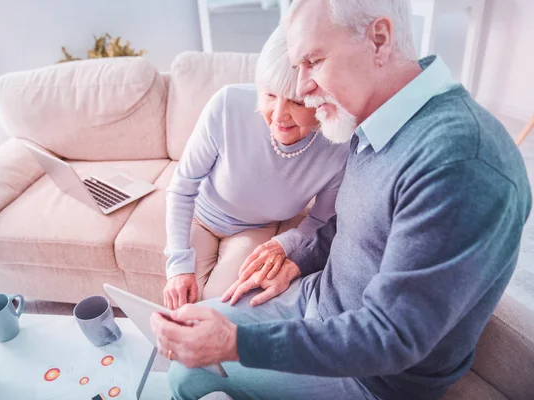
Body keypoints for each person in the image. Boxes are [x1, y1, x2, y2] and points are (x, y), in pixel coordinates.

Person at [151, 0, 533, 399]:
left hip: (373, 376)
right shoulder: (376, 125)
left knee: (189, 373)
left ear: (379, 40)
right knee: (186, 354)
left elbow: (394, 337)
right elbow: (353, 222)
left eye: (313, 61)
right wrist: (297, 259)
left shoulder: (461, 163)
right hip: (318, 303)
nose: (300, 89)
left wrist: (236, 345)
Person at [162, 26, 349, 310]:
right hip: (199, 217)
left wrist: (285, 243)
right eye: (270, 95)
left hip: (254, 231)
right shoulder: (227, 104)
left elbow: (321, 222)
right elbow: (183, 186)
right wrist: (177, 266)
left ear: (321, 99)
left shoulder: (337, 145)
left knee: (220, 307)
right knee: (180, 305)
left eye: (297, 102)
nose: (278, 115)